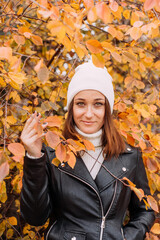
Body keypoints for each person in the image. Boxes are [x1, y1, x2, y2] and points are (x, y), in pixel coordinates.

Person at [20, 61, 155, 240]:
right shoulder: (54, 154)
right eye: (81, 104)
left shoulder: (129, 156)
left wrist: (125, 237)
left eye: (98, 104)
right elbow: (35, 218)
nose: (89, 114)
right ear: (71, 108)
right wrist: (34, 158)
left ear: (107, 108)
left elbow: (145, 210)